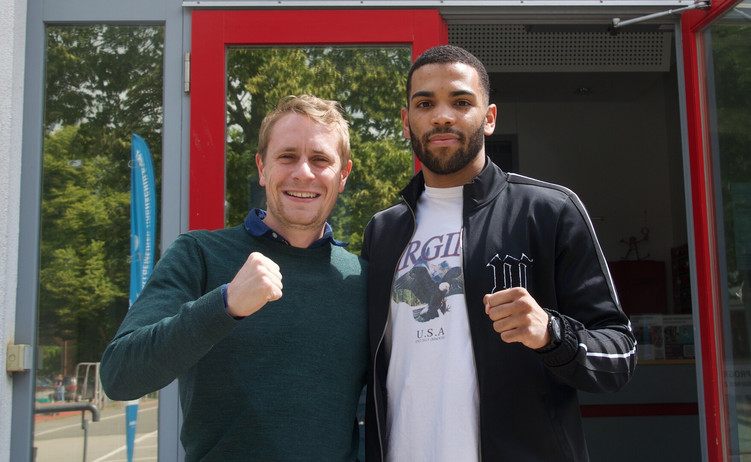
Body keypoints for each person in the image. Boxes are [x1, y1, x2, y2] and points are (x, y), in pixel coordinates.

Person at [362, 45, 637, 462]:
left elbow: (620, 353)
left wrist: (550, 333)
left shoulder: (548, 211)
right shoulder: (383, 231)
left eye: (460, 101)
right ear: (406, 122)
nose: (441, 116)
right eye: (425, 103)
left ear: (489, 118)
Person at [101, 94, 368, 461]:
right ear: (262, 167)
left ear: (343, 175)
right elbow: (119, 376)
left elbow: (385, 408)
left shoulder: (362, 279)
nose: (303, 172)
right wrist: (224, 304)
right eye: (287, 156)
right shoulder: (199, 255)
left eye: (320, 159)